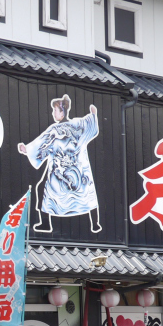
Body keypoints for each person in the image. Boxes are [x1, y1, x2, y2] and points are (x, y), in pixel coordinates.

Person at [17, 95, 101, 233]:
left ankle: (46, 223)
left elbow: (42, 145)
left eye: (55, 110)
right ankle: (95, 224)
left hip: (66, 169)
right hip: (71, 169)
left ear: (62, 112)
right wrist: (93, 115)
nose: (53, 113)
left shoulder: (56, 129)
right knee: (87, 192)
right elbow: (90, 125)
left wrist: (28, 150)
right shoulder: (77, 125)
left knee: (46, 189)